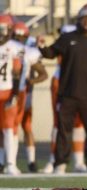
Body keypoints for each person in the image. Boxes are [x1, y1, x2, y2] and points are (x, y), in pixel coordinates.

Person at [38, 4, 87, 174]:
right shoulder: (67, 38)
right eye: (83, 18)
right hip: (68, 94)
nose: (86, 22)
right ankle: (60, 163)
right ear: (78, 20)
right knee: (63, 130)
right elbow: (51, 52)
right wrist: (42, 47)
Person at [42, 24, 87, 174]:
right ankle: (53, 160)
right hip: (61, 83)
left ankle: (79, 161)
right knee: (59, 123)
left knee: (79, 123)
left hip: (79, 84)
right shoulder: (63, 44)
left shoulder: (83, 41)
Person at [12, 21, 48, 173]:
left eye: (22, 37)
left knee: (25, 127)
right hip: (8, 91)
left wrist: (29, 81)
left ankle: (31, 162)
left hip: (24, 92)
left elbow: (43, 73)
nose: (19, 40)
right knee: (7, 129)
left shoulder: (30, 49)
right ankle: (6, 162)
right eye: (16, 36)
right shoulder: (7, 48)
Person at [0, 14, 24, 175]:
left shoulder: (15, 46)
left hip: (8, 90)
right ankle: (3, 162)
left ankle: (10, 163)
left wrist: (15, 93)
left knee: (9, 128)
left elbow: (17, 73)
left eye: (3, 29)